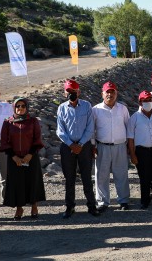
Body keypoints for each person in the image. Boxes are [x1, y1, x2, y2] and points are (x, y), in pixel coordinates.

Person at [56, 79, 99, 219]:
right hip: (68, 146)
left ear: (78, 92)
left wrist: (80, 144)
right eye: (68, 91)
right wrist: (71, 144)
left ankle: (92, 205)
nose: (71, 93)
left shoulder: (86, 106)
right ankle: (70, 206)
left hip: (84, 146)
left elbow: (90, 127)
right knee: (69, 178)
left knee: (87, 177)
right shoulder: (61, 108)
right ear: (64, 93)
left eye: (73, 91)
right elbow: (60, 130)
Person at [0, 98, 46, 220]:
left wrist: (29, 155)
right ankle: (19, 208)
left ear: (27, 107)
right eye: (18, 106)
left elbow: (37, 140)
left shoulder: (33, 121)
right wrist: (14, 157)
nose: (20, 108)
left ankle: (34, 206)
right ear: (14, 107)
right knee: (17, 183)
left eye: (23, 106)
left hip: (31, 157)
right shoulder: (8, 123)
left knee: (32, 181)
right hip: (14, 158)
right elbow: (4, 142)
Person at [93, 81, 131, 212]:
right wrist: (93, 146)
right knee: (101, 176)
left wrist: (129, 146)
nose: (110, 94)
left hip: (120, 146)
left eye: (112, 91)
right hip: (102, 146)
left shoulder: (123, 109)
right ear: (102, 93)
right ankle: (102, 202)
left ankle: (124, 200)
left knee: (121, 174)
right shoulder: (96, 110)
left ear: (116, 93)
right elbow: (92, 130)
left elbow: (128, 127)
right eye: (107, 92)